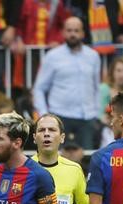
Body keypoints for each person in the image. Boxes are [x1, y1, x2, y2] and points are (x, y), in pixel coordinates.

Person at [33, 16, 101, 149]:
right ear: (63, 32)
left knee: (87, 159)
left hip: (87, 117)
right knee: (57, 160)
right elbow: (39, 88)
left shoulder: (93, 56)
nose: (73, 34)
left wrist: (97, 113)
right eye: (69, 30)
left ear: (83, 33)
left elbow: (96, 87)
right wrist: (44, 115)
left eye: (76, 30)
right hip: (59, 116)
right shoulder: (52, 56)